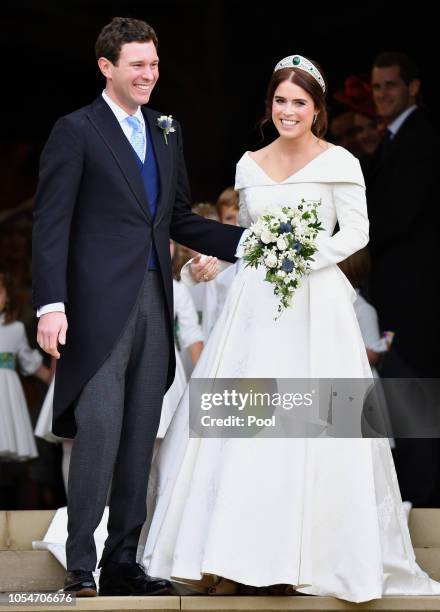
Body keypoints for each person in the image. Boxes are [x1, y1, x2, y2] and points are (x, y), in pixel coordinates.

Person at [139, 55, 440, 602]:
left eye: (299, 102)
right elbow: (246, 237)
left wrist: (297, 256)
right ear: (270, 105)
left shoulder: (341, 161)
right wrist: (219, 261)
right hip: (254, 311)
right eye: (280, 100)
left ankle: (301, 556)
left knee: (311, 428)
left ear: (317, 109)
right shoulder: (249, 165)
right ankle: (228, 557)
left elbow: (355, 234)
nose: (288, 110)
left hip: (315, 308)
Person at [32, 17, 243, 597]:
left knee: (140, 436)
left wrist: (250, 244)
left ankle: (124, 561)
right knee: (99, 430)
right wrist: (51, 305)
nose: (150, 74)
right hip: (95, 309)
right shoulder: (75, 131)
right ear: (107, 67)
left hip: (157, 302)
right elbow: (51, 225)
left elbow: (176, 218)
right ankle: (82, 565)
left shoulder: (167, 130)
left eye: (154, 64)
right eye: (137, 65)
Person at [365, 52, 440, 506]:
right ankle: (413, 489)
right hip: (395, 292)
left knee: (414, 389)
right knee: (399, 392)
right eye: (376, 88)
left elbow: (397, 215)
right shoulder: (391, 140)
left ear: (413, 88)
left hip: (416, 295)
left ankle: (425, 495)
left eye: (390, 85)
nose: (382, 95)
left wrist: (348, 238)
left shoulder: (421, 141)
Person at [0, 266, 50, 462]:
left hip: (6, 394)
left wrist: (53, 380)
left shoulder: (16, 328)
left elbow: (30, 362)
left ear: (7, 298)